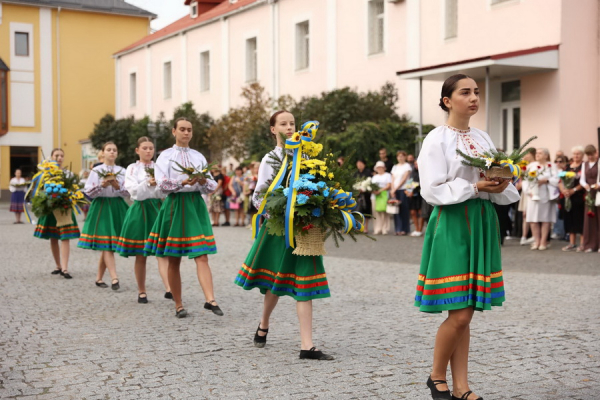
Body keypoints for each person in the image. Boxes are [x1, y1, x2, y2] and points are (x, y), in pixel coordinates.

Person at [415, 74, 519, 400]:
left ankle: (462, 386)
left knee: (466, 309)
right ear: (447, 100)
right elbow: (431, 190)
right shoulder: (436, 139)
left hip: (482, 220)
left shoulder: (483, 137)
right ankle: (435, 376)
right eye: (465, 92)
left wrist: (501, 182)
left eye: (476, 92)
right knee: (459, 313)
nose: (474, 97)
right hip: (452, 221)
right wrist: (474, 186)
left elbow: (499, 184)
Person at [234, 110, 334, 360]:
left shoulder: (307, 155)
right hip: (279, 228)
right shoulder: (271, 158)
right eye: (283, 124)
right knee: (274, 285)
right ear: (273, 129)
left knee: (305, 283)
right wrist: (280, 214)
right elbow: (258, 197)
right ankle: (264, 323)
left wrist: (315, 206)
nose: (289, 127)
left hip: (303, 229)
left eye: (292, 123)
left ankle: (306, 346)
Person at [144, 117, 223, 318]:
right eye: (182, 129)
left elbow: (212, 185)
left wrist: (203, 180)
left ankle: (210, 299)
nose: (186, 133)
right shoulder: (165, 156)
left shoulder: (198, 156)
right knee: (174, 258)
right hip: (175, 205)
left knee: (202, 254)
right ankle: (178, 304)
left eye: (189, 129)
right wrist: (183, 181)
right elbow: (162, 184)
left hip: (195, 205)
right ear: (174, 131)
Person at [116, 137, 172, 303]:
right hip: (140, 209)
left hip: (157, 208)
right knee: (141, 254)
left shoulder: (159, 167)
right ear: (137, 150)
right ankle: (141, 290)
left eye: (151, 148)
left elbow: (165, 191)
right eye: (145, 148)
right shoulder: (132, 168)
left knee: (162, 252)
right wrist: (148, 183)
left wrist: (159, 186)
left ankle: (169, 288)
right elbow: (133, 191)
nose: (148, 151)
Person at [78, 142, 129, 290]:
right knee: (107, 242)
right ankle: (114, 278)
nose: (112, 152)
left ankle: (99, 278)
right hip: (101, 206)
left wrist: (117, 186)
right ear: (103, 153)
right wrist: (102, 185)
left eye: (114, 150)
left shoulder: (122, 170)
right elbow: (88, 192)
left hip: (117, 206)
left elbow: (128, 192)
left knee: (109, 245)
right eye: (109, 150)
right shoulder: (96, 170)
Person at [33, 148, 80, 279]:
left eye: (61, 155)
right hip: (50, 208)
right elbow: (40, 190)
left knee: (65, 237)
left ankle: (65, 268)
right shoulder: (45, 173)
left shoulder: (68, 173)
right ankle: (58, 265)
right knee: (53, 237)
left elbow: (74, 189)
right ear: (51, 157)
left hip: (64, 208)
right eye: (56, 155)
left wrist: (70, 196)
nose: (59, 157)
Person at [524, 148, 559, 250]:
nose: (537, 155)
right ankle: (537, 241)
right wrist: (528, 192)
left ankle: (543, 242)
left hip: (546, 196)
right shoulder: (531, 166)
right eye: (537, 153)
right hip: (532, 195)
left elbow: (556, 179)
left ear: (546, 156)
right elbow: (525, 180)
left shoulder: (551, 166)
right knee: (533, 220)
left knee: (545, 219)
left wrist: (546, 181)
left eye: (540, 153)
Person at [561, 146, 586, 251]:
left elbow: (585, 180)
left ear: (582, 155)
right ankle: (571, 243)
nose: (576, 156)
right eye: (574, 154)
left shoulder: (584, 166)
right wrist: (564, 190)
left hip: (579, 196)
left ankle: (582, 244)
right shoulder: (568, 166)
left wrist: (574, 190)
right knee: (569, 219)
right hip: (568, 197)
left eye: (578, 154)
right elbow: (560, 180)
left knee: (580, 220)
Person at [579, 144, 599, 252]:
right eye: (588, 155)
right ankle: (590, 244)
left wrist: (598, 184)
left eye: (591, 154)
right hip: (589, 192)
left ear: (595, 153)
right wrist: (584, 185)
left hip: (598, 192)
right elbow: (582, 179)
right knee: (589, 218)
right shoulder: (585, 164)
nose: (590, 157)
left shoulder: (599, 162)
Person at [517, 148, 536, 245]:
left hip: (533, 191)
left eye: (526, 154)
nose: (524, 156)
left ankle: (534, 235)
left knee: (533, 214)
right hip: (525, 191)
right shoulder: (525, 166)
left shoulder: (535, 166)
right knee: (525, 214)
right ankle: (524, 236)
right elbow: (521, 182)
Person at [390, 150, 412, 236]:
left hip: (403, 189)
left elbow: (404, 179)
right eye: (399, 156)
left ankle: (405, 228)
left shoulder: (407, 166)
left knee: (404, 209)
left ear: (405, 157)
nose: (400, 158)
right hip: (395, 190)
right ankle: (397, 228)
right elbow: (392, 178)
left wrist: (395, 188)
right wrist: (392, 189)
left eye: (402, 156)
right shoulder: (395, 167)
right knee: (396, 210)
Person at [371, 161, 393, 235]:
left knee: (384, 212)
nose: (379, 168)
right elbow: (371, 186)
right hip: (375, 196)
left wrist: (380, 190)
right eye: (378, 167)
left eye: (381, 167)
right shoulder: (374, 177)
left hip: (384, 195)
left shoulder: (387, 175)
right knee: (376, 212)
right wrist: (374, 191)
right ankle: (377, 228)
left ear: (384, 168)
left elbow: (389, 185)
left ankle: (385, 228)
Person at [354, 159, 373, 233]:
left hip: (366, 194)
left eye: (361, 163)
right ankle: (359, 226)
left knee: (366, 211)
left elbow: (370, 182)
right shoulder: (355, 173)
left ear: (364, 164)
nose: (359, 165)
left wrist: (364, 188)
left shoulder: (368, 172)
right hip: (358, 195)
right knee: (358, 210)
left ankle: (366, 227)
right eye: (358, 163)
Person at [407, 159, 424, 236]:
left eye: (417, 164)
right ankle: (416, 229)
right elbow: (409, 183)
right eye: (415, 164)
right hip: (413, 195)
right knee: (413, 212)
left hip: (421, 194)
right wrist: (407, 191)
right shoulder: (412, 173)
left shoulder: (425, 172)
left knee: (421, 212)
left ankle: (420, 229)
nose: (416, 166)